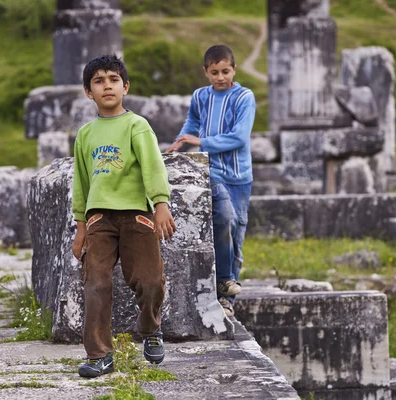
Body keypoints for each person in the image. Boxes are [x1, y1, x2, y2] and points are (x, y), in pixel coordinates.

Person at [71, 54, 176, 379]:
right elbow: (81, 182)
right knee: (96, 283)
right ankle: (100, 354)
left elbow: (152, 165)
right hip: (99, 219)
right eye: (99, 81)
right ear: (89, 91)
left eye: (113, 80)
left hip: (137, 217)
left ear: (125, 86)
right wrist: (80, 227)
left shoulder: (136, 125)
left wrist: (160, 204)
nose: (107, 86)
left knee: (149, 281)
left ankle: (150, 328)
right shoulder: (86, 135)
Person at [166, 44, 255, 318]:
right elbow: (192, 122)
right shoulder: (200, 96)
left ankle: (227, 298)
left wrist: (200, 141)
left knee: (235, 236)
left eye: (225, 71)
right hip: (211, 171)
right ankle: (222, 284)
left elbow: (239, 137)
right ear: (206, 72)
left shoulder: (244, 97)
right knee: (223, 218)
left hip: (239, 177)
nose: (220, 77)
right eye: (214, 72)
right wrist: (180, 141)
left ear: (234, 69)